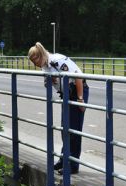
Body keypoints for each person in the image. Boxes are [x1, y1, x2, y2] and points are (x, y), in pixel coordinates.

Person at [28, 42, 89, 174]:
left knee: (74, 130)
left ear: (41, 55)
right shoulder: (45, 65)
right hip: (66, 94)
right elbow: (49, 83)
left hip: (77, 92)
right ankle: (64, 160)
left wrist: (80, 99)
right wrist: (49, 81)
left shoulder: (57, 61)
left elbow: (78, 76)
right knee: (65, 129)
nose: (35, 64)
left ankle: (72, 165)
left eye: (35, 60)